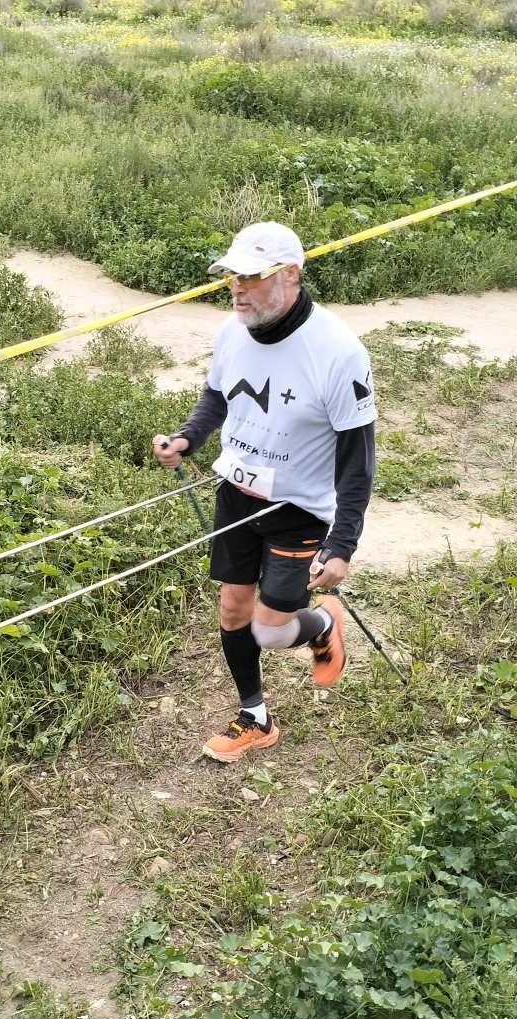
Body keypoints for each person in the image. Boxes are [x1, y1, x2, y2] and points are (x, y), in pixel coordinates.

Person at [153, 222, 377, 763]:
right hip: (235, 493)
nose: (238, 288)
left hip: (297, 509)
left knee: (271, 632)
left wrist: (342, 545)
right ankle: (255, 716)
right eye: (233, 276)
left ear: (291, 274)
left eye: (252, 277)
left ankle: (322, 622)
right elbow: (218, 395)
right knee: (233, 610)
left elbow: (358, 462)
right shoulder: (233, 331)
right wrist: (188, 437)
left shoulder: (338, 352)